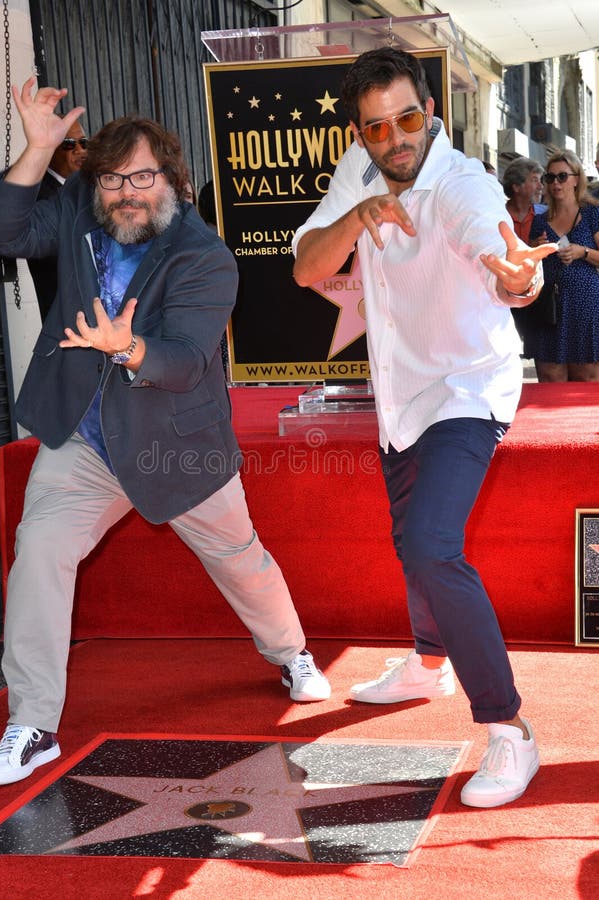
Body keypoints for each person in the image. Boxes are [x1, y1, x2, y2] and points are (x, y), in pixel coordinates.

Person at [0, 78, 330, 788]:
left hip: (177, 442)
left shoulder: (205, 256)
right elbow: (0, 233)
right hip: (85, 437)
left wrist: (125, 347)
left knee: (239, 557)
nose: (126, 192)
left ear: (173, 179)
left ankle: (290, 652)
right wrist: (38, 149)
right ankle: (34, 722)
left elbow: (186, 358)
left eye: (142, 176)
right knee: (39, 551)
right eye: (111, 179)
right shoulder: (77, 210)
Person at [292, 48, 556, 809]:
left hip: (469, 387)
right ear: (359, 133)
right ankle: (428, 661)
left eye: (407, 118)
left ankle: (509, 730)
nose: (394, 137)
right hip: (399, 390)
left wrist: (518, 275)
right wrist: (357, 212)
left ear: (430, 112)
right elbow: (308, 267)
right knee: (409, 538)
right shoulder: (359, 170)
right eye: (375, 127)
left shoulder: (461, 182)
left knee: (434, 544)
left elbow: (498, 252)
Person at [527, 150, 599, 382]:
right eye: (550, 177)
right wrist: (533, 249)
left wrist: (583, 252)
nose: (556, 183)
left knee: (587, 379)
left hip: (585, 308)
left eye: (562, 176)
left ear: (576, 178)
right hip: (549, 310)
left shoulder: (591, 214)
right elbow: (528, 264)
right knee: (550, 379)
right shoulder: (540, 221)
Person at [26, 118, 89, 321]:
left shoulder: (91, 188)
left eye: (84, 142)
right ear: (50, 149)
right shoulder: (38, 194)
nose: (79, 150)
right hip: (63, 314)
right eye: (69, 144)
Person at [502, 157, 546, 338]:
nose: (541, 186)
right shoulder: (498, 215)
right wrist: (529, 248)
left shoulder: (545, 215)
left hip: (539, 298)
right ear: (516, 186)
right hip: (505, 298)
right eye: (535, 180)